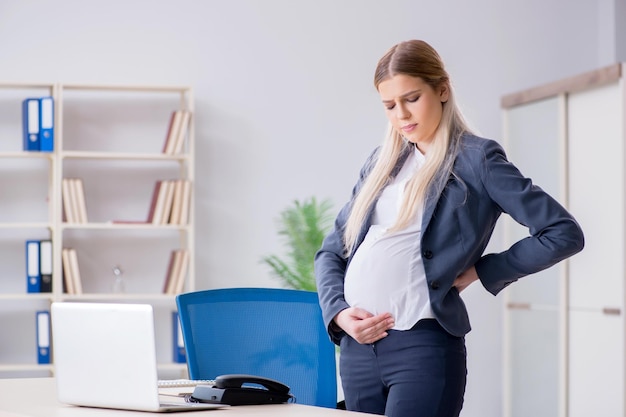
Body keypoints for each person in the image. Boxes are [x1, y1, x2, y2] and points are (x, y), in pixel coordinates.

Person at [314, 39, 584, 417]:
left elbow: (562, 232)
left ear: (442, 89)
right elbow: (332, 252)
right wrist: (338, 313)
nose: (401, 115)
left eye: (411, 98)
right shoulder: (379, 164)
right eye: (389, 105)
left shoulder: (477, 159)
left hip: (422, 350)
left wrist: (482, 270)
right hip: (358, 353)